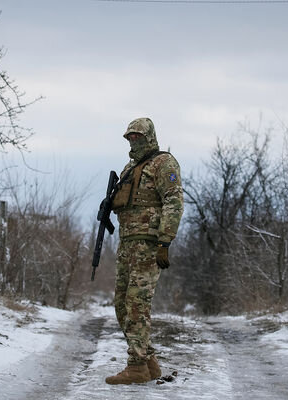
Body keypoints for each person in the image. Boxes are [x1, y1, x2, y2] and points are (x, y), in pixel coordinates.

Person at [105, 117, 184, 385]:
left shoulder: (164, 163)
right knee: (121, 305)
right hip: (127, 245)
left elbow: (174, 201)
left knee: (137, 304)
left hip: (149, 246)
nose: (133, 141)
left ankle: (136, 365)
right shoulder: (130, 168)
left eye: (138, 136)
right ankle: (149, 361)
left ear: (149, 136)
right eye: (130, 137)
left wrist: (165, 241)